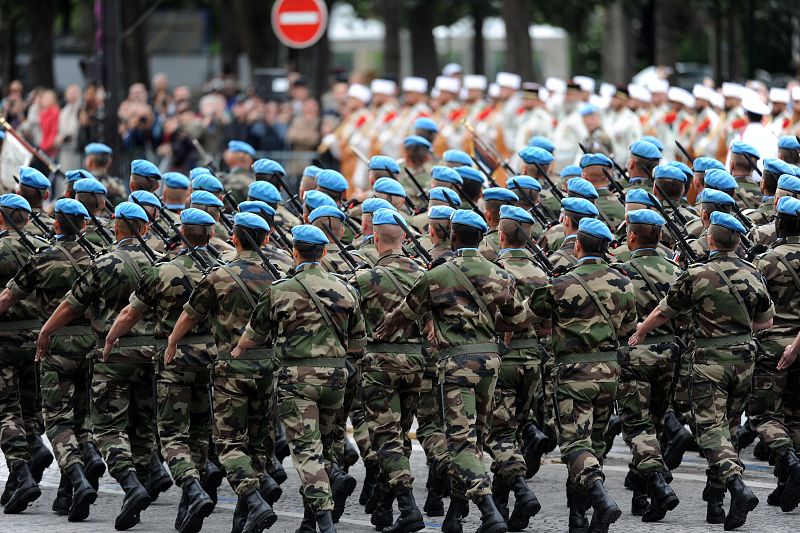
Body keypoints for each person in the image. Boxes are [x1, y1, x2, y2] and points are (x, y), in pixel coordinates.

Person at [375, 209, 527, 533]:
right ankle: (455, 515)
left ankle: (488, 512)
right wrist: (484, 324)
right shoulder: (499, 274)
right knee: (476, 442)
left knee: (460, 443)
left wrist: (383, 330)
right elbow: (518, 320)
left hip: (456, 364)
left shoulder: (438, 275)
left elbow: (405, 312)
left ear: (454, 236)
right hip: (490, 362)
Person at [630, 211, 774, 530]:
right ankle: (716, 503)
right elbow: (766, 321)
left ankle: (737, 486)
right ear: (737, 241)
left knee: (710, 428)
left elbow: (665, 310)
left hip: (710, 360)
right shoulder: (753, 272)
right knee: (730, 428)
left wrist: (641, 330)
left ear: (710, 238)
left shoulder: (697, 273)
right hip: (745, 358)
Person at [234, 224, 366, 533]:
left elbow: (253, 337)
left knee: (307, 451)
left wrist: (238, 350)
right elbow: (359, 343)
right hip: (336, 377)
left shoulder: (280, 290)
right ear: (324, 253)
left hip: (297, 381)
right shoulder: (346, 289)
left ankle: (323, 520)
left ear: (295, 252)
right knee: (329, 446)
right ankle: (310, 520)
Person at [36, 201, 160, 530]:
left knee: (107, 428)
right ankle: (140, 489)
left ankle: (131, 485)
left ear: (116, 227)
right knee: (144, 428)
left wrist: (47, 329)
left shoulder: (103, 262)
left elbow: (72, 304)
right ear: (145, 229)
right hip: (150, 356)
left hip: (112, 353)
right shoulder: (158, 262)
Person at [103, 208, 222, 533]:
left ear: (181, 234)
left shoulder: (163, 270)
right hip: (210, 356)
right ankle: (192, 496)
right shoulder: (221, 270)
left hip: (175, 359)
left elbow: (130, 313)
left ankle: (192, 489)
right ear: (211, 234)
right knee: (200, 432)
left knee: (171, 434)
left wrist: (112, 338)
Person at [170, 212, 280, 533]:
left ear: (233, 238)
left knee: (229, 442)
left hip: (230, 367)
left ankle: (253, 498)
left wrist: (172, 342)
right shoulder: (278, 276)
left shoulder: (219, 276)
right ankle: (245, 517)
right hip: (267, 366)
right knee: (260, 442)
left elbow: (190, 316)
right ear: (267, 239)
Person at [528, 217, 635, 532]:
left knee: (575, 444)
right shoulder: (623, 282)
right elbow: (629, 330)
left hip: (574, 374)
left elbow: (528, 316)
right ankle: (579, 517)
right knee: (595, 445)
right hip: (609, 373)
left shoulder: (560, 283)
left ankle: (601, 500)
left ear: (577, 246)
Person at [0, 198, 101, 521]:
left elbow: (9, 296)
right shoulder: (95, 257)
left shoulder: (42, 256)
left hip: (34, 342)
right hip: (81, 343)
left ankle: (26, 471)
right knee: (75, 414)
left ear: (56, 223)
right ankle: (78, 467)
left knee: (12, 410)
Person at [350, 209, 427, 533]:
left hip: (379, 365)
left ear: (375, 239)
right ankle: (383, 507)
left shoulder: (364, 279)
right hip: (415, 364)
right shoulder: (425, 274)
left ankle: (408, 508)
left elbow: (349, 324)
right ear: (406, 239)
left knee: (385, 438)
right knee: (399, 437)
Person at [616, 209, 681, 522]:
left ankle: (657, 486)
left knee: (637, 427)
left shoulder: (621, 271)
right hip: (668, 355)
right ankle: (641, 498)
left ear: (630, 236)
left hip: (634, 354)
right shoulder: (675, 270)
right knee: (653, 425)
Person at [487, 205, 547, 530]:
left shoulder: (493, 270)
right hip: (532, 360)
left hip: (503, 359)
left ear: (500, 235)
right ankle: (500, 504)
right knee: (515, 430)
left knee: (499, 433)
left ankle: (522, 493)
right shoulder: (541, 274)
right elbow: (549, 325)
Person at [0, 194, 50, 515]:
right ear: (27, 219)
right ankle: (35, 446)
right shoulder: (45, 248)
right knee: (30, 406)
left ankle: (21, 471)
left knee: (6, 408)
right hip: (37, 337)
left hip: (4, 338)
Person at [751, 196, 800, 511]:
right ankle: (785, 484)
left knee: (765, 415)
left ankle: (789, 464)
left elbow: (753, 307)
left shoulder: (765, 262)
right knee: (796, 416)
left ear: (779, 223)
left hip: (772, 348)